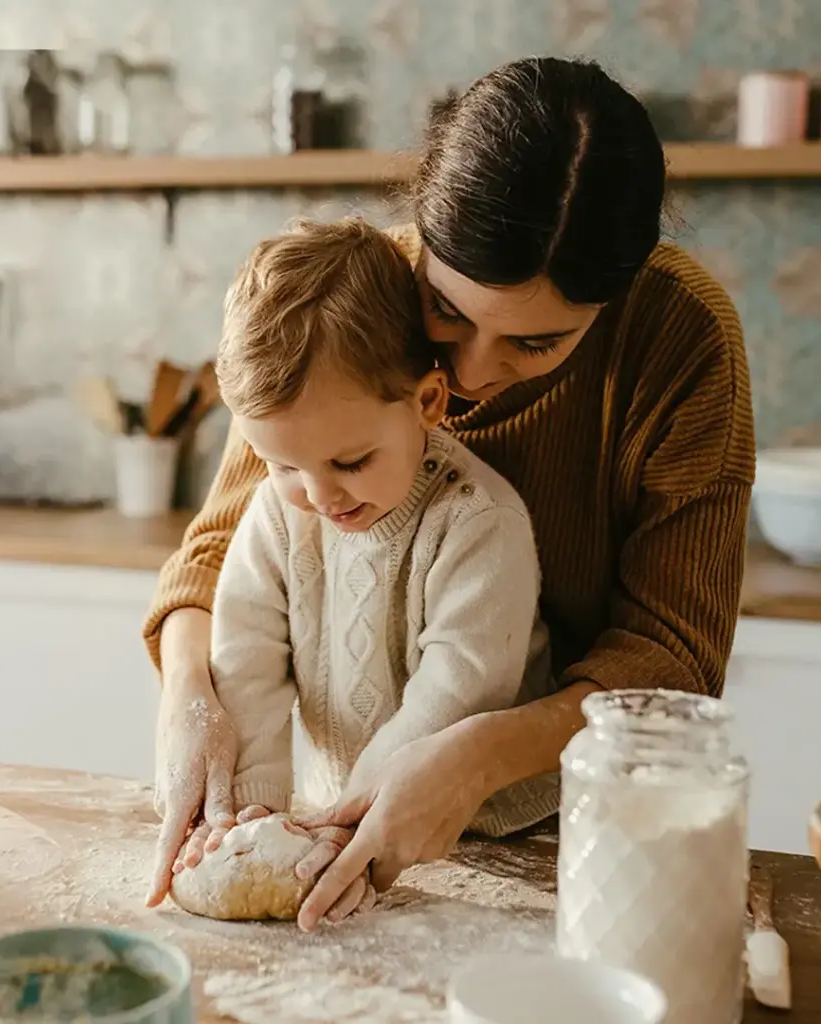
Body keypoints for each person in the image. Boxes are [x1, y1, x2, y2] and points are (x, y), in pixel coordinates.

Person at [144, 56, 755, 931]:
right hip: (345, 807)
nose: (466, 375)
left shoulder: (680, 336)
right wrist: (189, 697)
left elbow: (673, 658)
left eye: (535, 344)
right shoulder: (354, 300)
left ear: (615, 299)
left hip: (572, 818)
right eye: (448, 311)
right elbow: (224, 550)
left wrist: (476, 754)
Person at [189, 217, 556, 896]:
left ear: (428, 401)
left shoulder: (478, 521)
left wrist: (350, 821)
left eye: (351, 462)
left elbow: (456, 689)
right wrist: (254, 808)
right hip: (341, 815)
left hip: (499, 833)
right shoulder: (278, 512)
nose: (318, 496)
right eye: (283, 465)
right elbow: (246, 654)